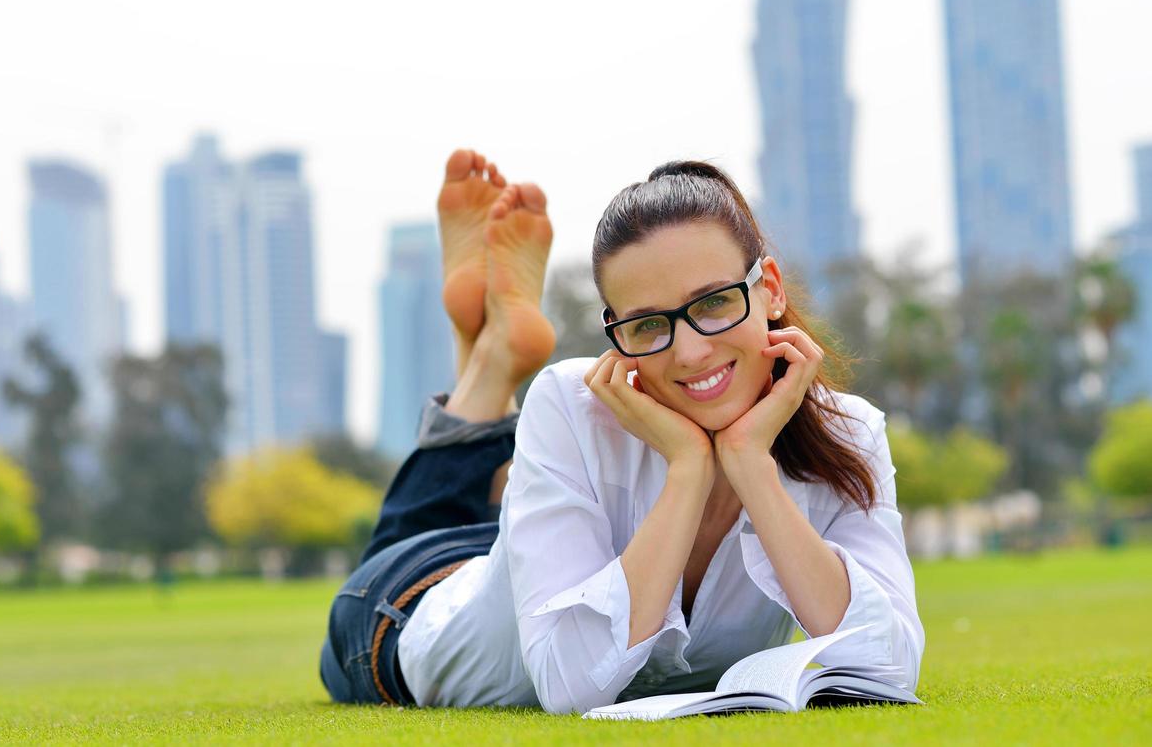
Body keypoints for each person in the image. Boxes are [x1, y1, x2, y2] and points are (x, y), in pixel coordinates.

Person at [319, 150, 924, 715]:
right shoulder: (572, 405)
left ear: (768, 290)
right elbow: (568, 687)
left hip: (515, 558)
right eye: (647, 324)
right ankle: (488, 359)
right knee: (420, 535)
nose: (689, 352)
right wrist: (688, 470)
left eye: (713, 303)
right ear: (614, 331)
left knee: (504, 540)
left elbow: (888, 666)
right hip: (406, 605)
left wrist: (750, 463)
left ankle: (488, 349)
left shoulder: (850, 436)